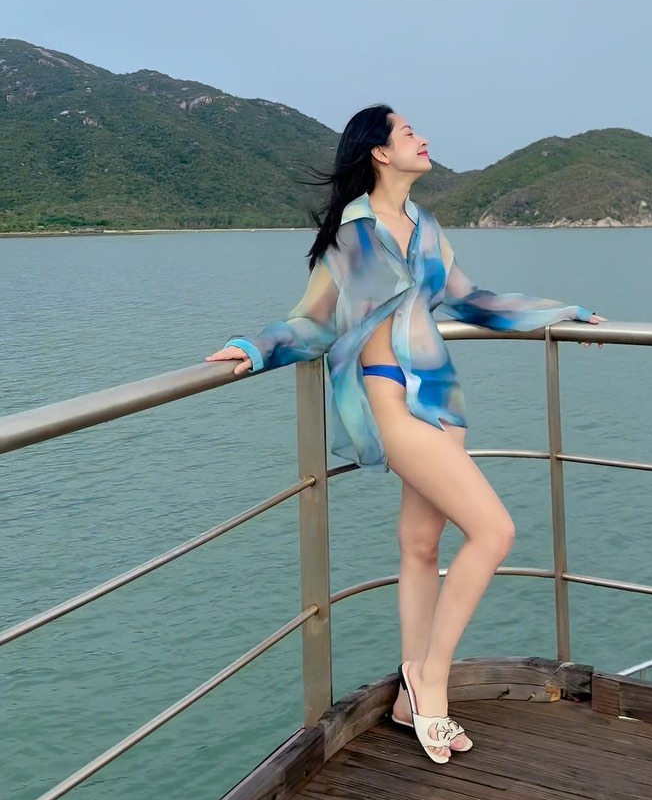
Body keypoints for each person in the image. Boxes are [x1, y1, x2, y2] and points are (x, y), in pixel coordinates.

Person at [206, 104, 603, 765]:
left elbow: (472, 300)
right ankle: (429, 679)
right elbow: (313, 322)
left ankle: (404, 701)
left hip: (443, 401)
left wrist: (563, 313)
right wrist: (256, 346)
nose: (423, 138)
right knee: (495, 532)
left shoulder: (425, 228)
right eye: (408, 132)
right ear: (380, 153)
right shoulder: (355, 234)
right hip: (392, 400)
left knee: (422, 547)